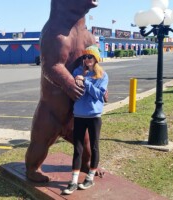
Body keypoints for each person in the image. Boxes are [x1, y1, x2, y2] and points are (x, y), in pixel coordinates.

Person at [63, 45, 109, 195]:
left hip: (94, 116)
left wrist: (86, 82)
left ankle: (90, 177)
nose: (87, 59)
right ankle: (74, 181)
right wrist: (76, 80)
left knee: (94, 147)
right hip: (79, 115)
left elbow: (98, 95)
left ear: (96, 58)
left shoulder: (103, 75)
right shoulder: (77, 72)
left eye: (90, 56)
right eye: (84, 57)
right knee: (78, 148)